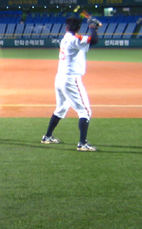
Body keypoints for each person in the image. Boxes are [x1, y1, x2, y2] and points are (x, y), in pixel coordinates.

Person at [41, 15, 100, 151]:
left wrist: (94, 28)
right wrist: (92, 27)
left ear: (66, 27)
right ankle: (82, 144)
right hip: (71, 80)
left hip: (60, 78)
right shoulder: (75, 39)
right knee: (85, 111)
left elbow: (88, 40)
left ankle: (47, 136)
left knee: (61, 108)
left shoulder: (65, 39)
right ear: (78, 28)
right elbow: (94, 40)